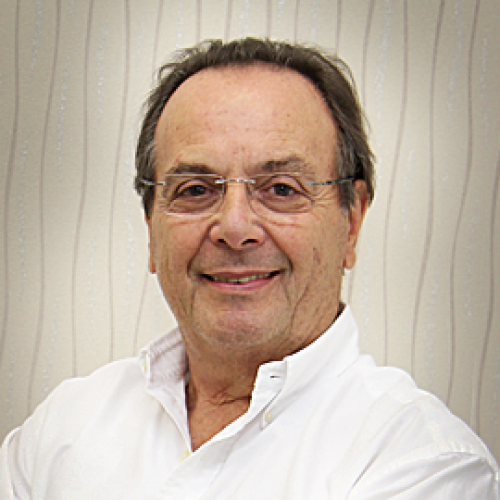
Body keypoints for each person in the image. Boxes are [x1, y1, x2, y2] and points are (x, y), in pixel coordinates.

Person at [1, 38, 498, 499]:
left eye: (281, 189)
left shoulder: (425, 462)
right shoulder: (63, 429)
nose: (235, 227)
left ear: (351, 222)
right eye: (195, 190)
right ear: (151, 229)